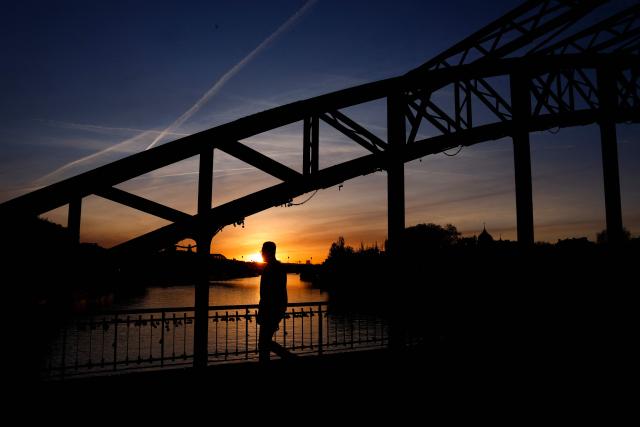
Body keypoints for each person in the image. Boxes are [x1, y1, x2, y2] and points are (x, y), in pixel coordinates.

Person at [257, 241, 292, 362]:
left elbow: (268, 294)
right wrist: (280, 311)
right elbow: (282, 293)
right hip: (274, 311)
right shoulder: (279, 268)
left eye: (263, 250)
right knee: (265, 343)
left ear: (268, 252)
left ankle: (290, 358)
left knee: (264, 343)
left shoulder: (270, 269)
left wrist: (269, 312)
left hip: (269, 312)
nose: (261, 253)